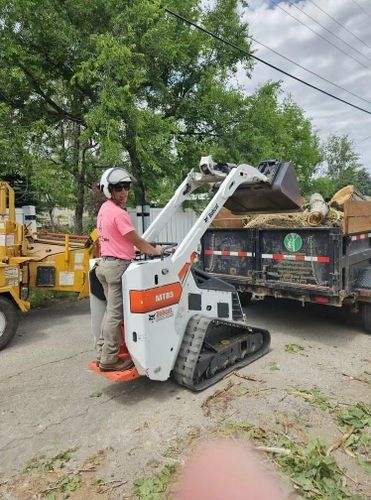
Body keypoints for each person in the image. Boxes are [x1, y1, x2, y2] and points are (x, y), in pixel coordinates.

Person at [95, 166, 162, 372]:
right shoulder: (119, 213)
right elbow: (137, 240)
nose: (124, 192)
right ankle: (109, 359)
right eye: (119, 188)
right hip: (117, 267)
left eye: (126, 187)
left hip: (104, 264)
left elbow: (117, 239)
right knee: (115, 315)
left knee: (109, 313)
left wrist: (131, 248)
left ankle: (101, 352)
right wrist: (155, 251)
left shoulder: (104, 209)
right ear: (109, 190)